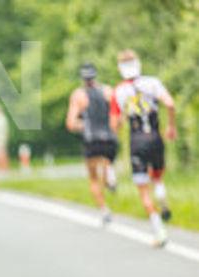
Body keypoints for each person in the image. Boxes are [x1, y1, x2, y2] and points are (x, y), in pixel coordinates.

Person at [110, 49, 177, 247]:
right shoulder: (152, 82)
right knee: (157, 177)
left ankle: (159, 232)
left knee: (143, 189)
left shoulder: (119, 91)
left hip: (137, 141)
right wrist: (171, 126)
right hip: (156, 137)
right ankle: (162, 200)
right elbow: (170, 104)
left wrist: (120, 123)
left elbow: (115, 124)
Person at [66, 63, 119, 225]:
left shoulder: (78, 95)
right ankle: (110, 174)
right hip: (109, 138)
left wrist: (85, 125)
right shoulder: (109, 91)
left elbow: (70, 123)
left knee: (93, 178)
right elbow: (118, 116)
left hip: (92, 140)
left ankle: (104, 210)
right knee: (106, 162)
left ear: (82, 77)